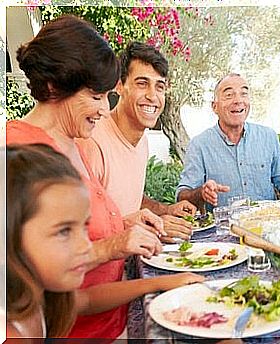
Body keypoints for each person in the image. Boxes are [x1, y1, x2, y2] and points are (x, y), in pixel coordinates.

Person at [5, 15, 168, 338]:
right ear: (53, 87)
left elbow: (83, 229)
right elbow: (22, 277)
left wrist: (127, 222)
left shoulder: (74, 141)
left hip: (111, 323)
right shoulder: (18, 150)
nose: (106, 110)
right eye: (95, 97)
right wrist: (113, 246)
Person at [6, 144, 204, 338]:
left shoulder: (40, 298)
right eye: (64, 231)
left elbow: (87, 300)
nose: (85, 245)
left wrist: (159, 282)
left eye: (84, 227)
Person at [78, 41, 195, 243]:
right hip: (103, 272)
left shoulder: (142, 142)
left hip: (132, 260)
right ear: (120, 86)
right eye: (142, 83)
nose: (152, 96)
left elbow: (128, 201)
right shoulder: (92, 142)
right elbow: (79, 231)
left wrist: (165, 210)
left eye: (160, 87)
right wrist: (152, 228)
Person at [176, 73, 280, 210]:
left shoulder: (268, 136)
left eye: (243, 93)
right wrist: (201, 193)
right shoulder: (199, 145)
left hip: (268, 224)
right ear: (214, 107)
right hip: (225, 229)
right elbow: (182, 195)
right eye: (229, 95)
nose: (238, 100)